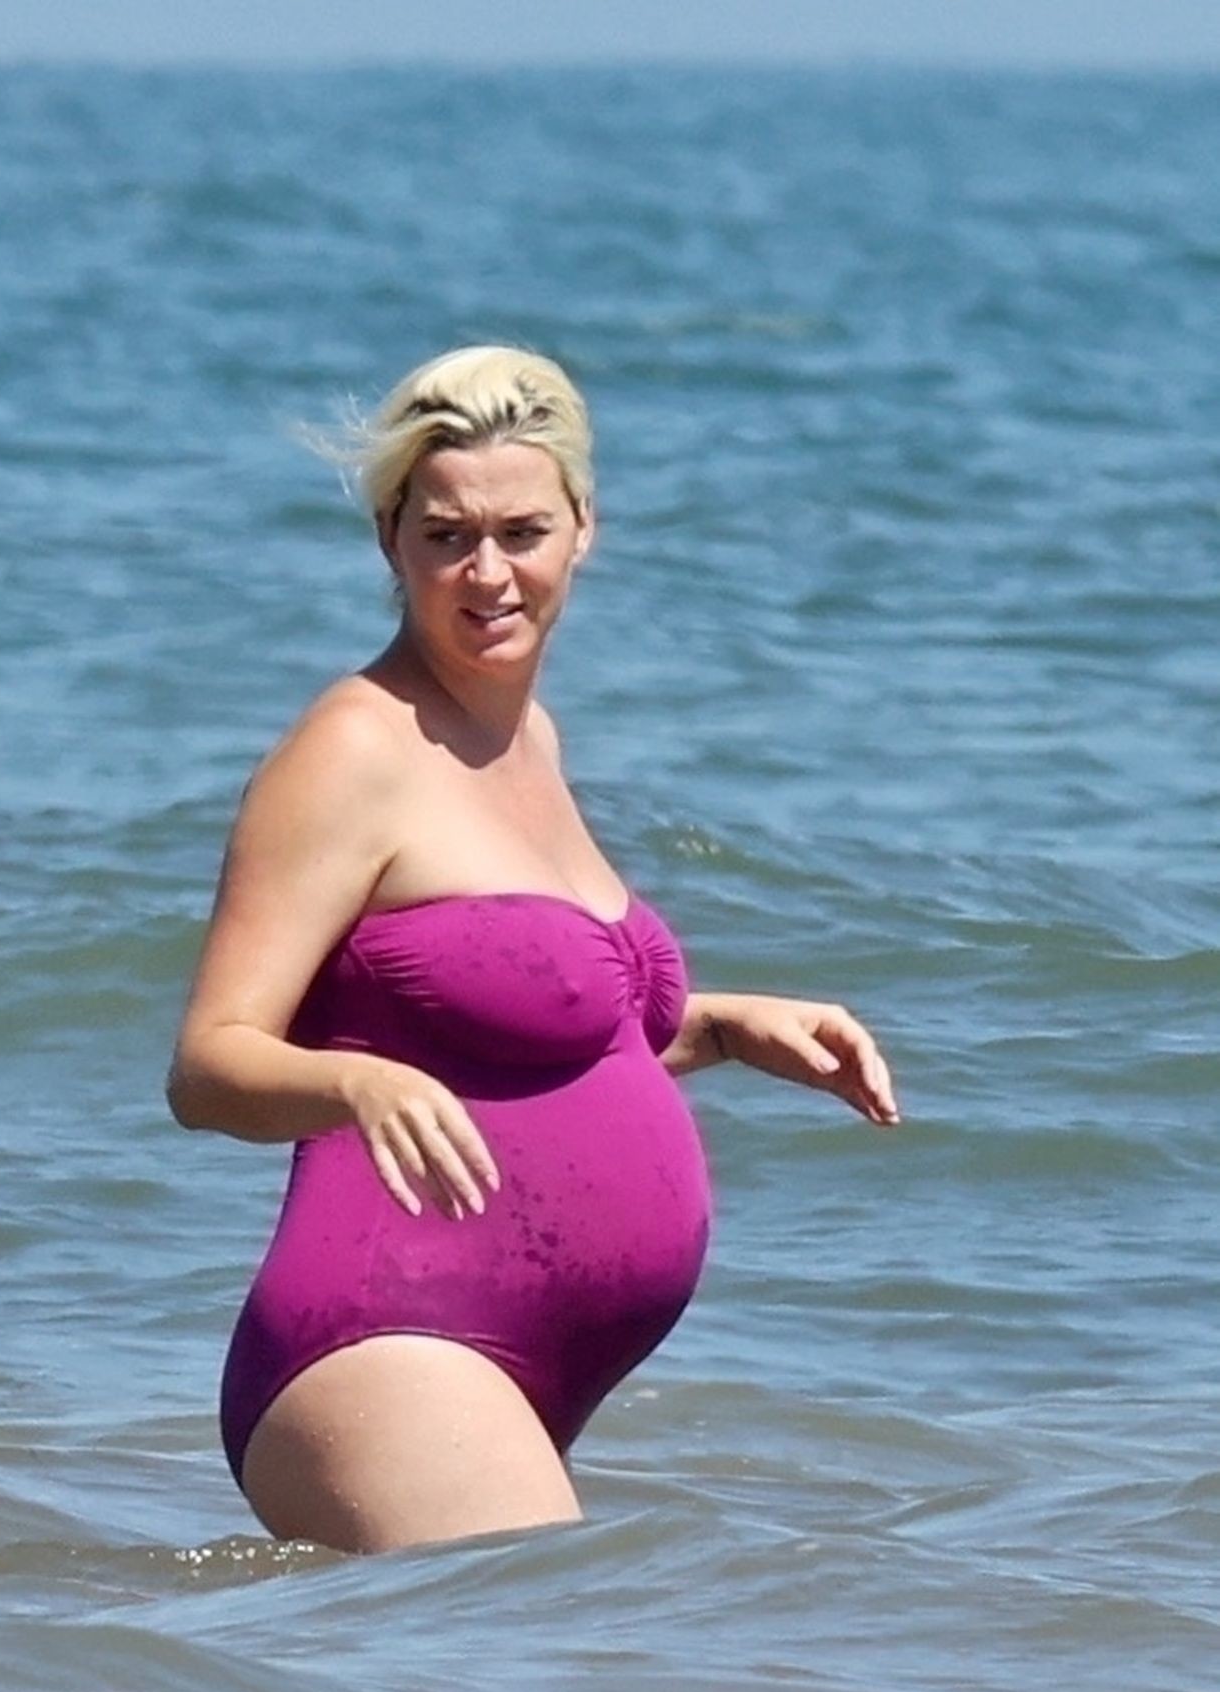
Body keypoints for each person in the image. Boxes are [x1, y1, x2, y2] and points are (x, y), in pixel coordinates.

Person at [167, 344, 898, 1556]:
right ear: (390, 541)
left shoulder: (527, 739)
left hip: (515, 1364)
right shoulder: (351, 750)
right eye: (446, 536)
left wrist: (718, 1028)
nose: (488, 573)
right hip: (387, 1331)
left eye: (521, 532)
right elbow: (208, 1066)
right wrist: (354, 1085)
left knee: (540, 1669)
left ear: (582, 530)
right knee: (589, 1648)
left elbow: (509, 1037)